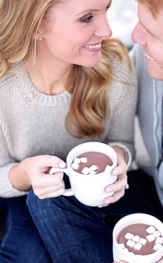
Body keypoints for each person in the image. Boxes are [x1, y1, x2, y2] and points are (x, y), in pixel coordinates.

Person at [28, 0, 163, 262]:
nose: (136, 35)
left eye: (152, 32)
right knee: (51, 196)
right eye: (140, 21)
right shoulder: (152, 61)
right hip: (154, 197)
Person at [0, 0, 137, 262]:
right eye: (87, 18)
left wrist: (120, 157)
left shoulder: (116, 67)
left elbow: (124, 143)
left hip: (101, 196)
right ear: (37, 25)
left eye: (106, 10)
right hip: (24, 196)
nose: (107, 30)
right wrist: (26, 172)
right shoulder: (4, 87)